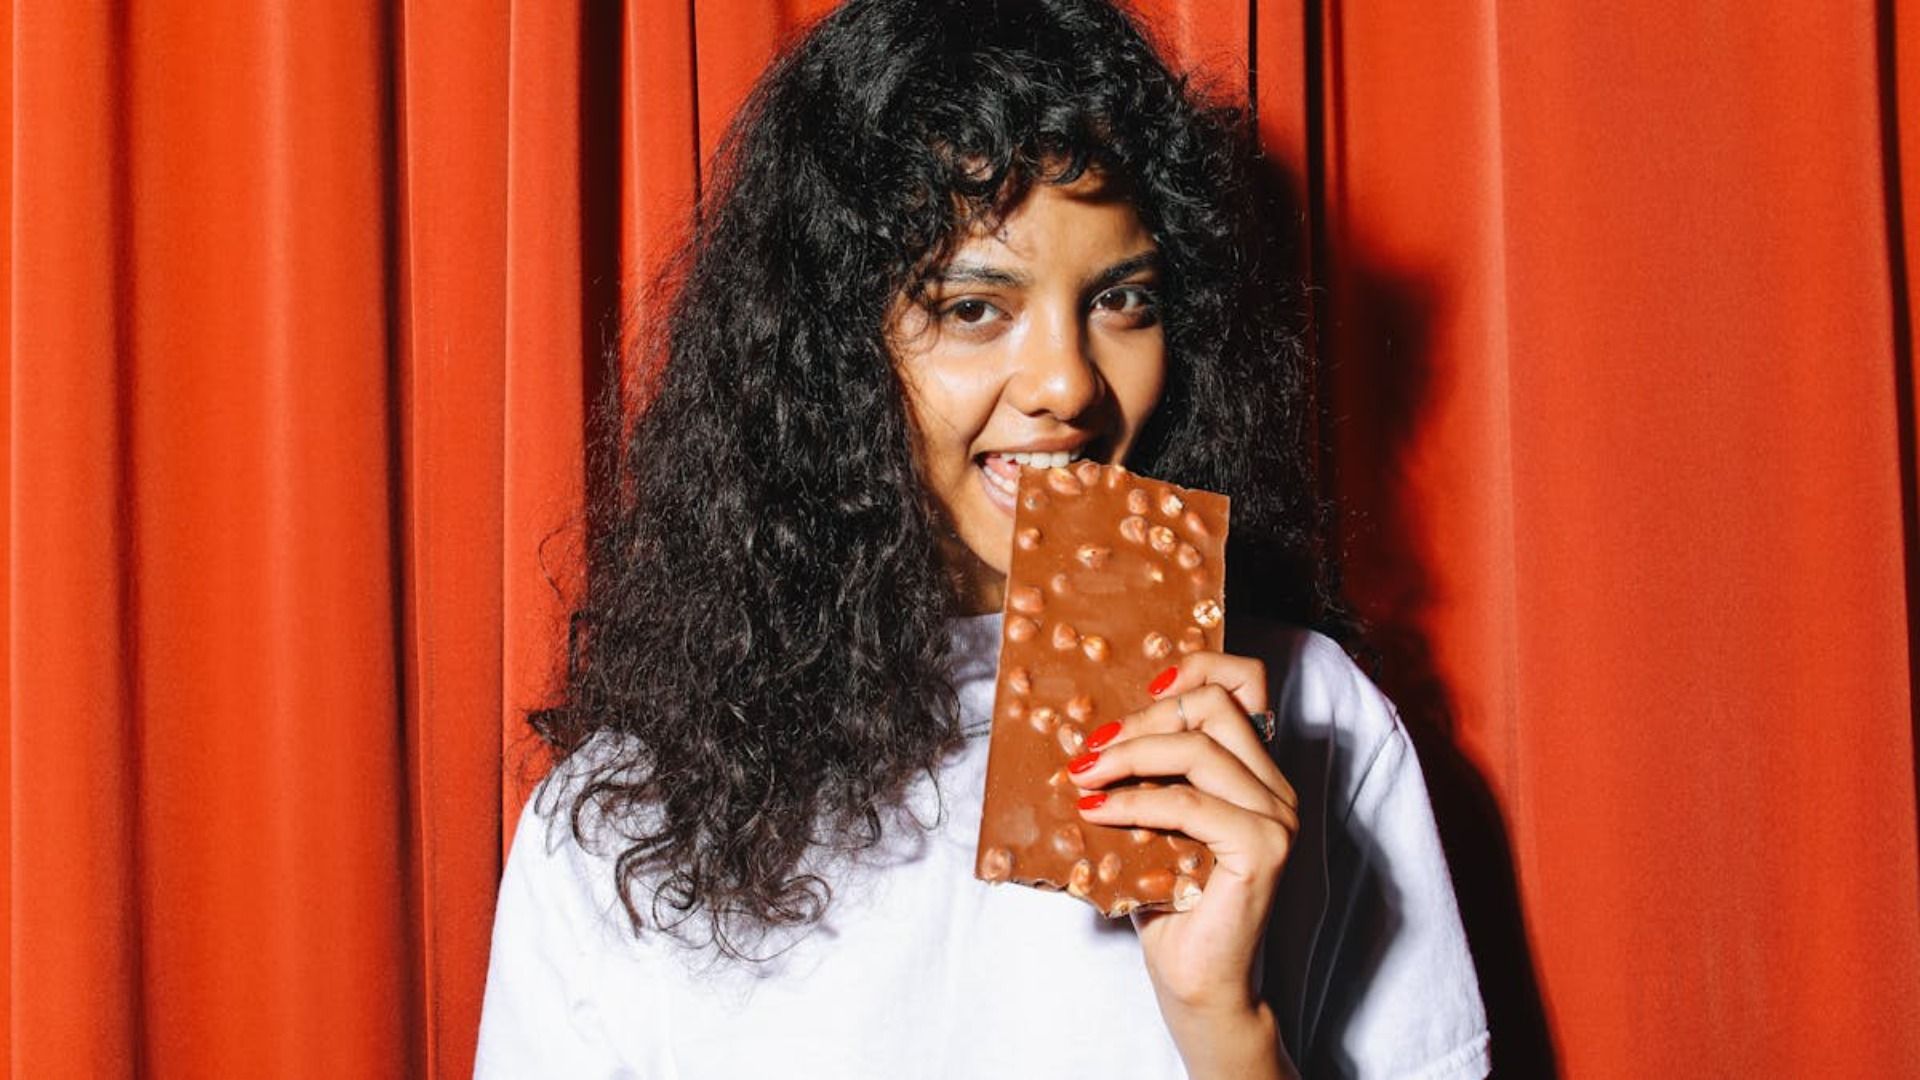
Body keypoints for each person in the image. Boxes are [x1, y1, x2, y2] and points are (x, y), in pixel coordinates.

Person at [474, 1, 1490, 1077]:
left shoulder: (1315, 719)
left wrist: (1223, 1025)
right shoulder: (621, 827)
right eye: (973, 308)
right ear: (826, 359)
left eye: (1123, 300)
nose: (1067, 383)